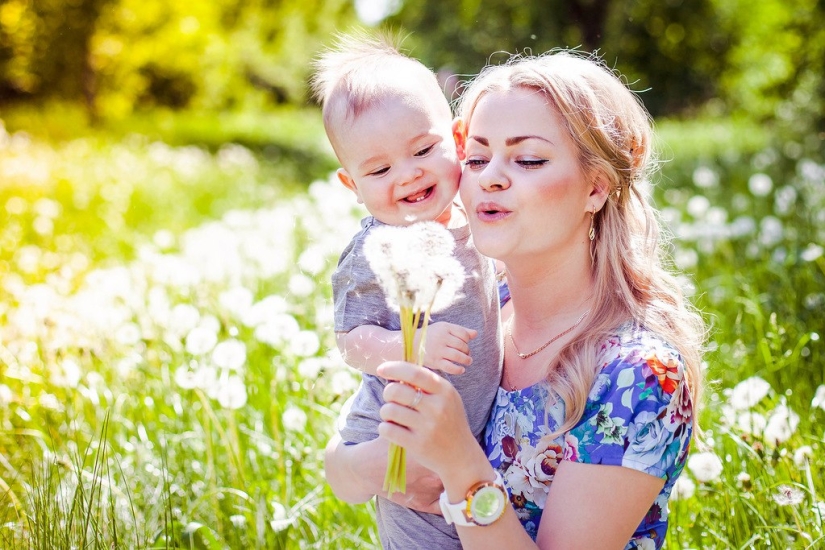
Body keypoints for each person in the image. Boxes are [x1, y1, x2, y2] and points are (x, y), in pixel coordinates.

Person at [326, 50, 705, 549]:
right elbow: (339, 467)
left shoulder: (638, 376)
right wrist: (379, 465)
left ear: (596, 187)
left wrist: (460, 465)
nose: (490, 176)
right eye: (477, 158)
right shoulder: (469, 303)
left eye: (527, 159)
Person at [310, 32, 504, 549]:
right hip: (395, 435)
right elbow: (350, 339)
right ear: (352, 185)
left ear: (459, 141)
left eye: (423, 149)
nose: (408, 174)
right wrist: (408, 348)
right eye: (378, 169)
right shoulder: (374, 252)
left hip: (471, 432)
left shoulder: (477, 222)